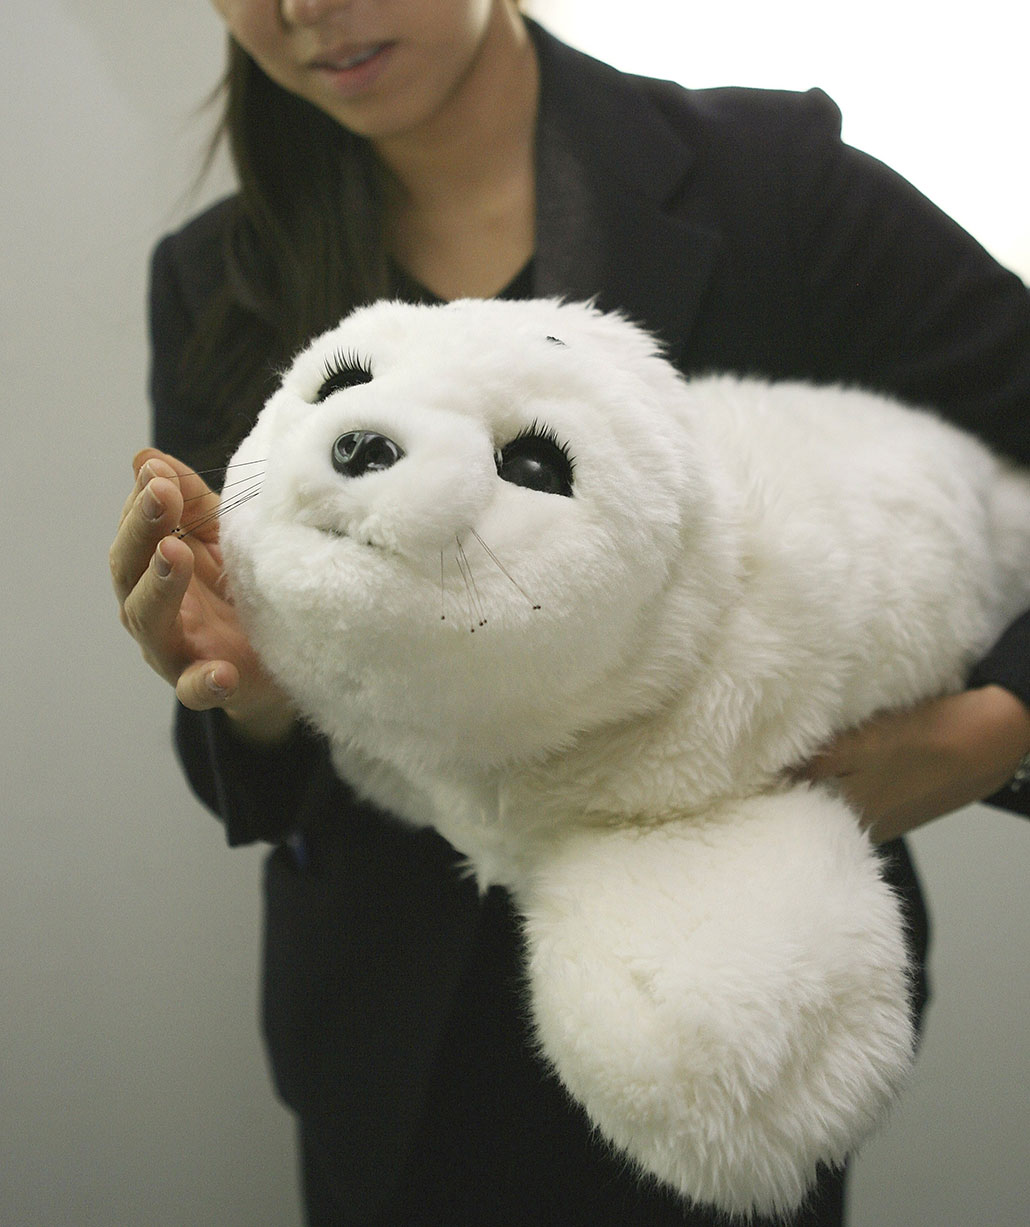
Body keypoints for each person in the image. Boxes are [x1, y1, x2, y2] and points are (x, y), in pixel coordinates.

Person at [110, 2, 1030, 1223]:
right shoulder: (218, 273)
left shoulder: (771, 185)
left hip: (728, 979)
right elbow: (241, 749)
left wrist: (991, 732)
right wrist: (260, 690)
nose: (298, 12)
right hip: (392, 1057)